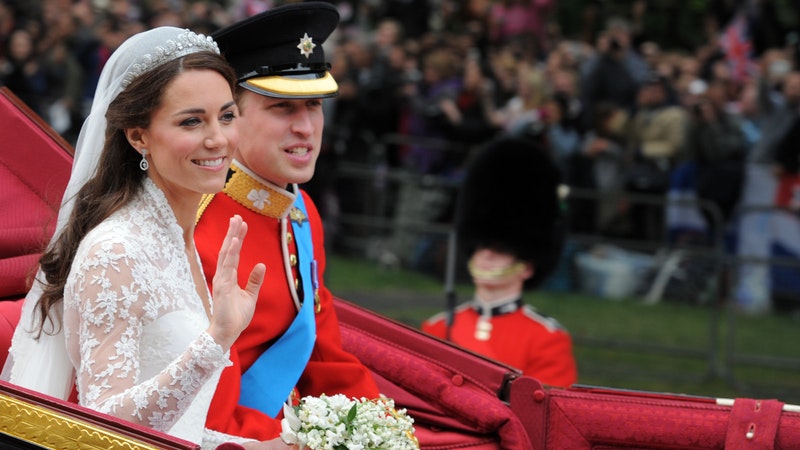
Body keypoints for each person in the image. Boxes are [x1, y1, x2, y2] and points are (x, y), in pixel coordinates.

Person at [0, 26, 277, 449]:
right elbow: (104, 428)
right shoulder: (115, 252)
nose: (218, 139)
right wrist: (215, 342)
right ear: (138, 136)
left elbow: (177, 429)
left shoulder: (174, 236)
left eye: (226, 116)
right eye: (191, 121)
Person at [194, 2, 380, 442]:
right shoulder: (196, 221)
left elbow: (322, 354)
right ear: (229, 117)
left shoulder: (300, 210)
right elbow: (207, 412)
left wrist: (378, 426)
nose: (306, 127)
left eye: (313, 105)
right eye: (282, 108)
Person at [420, 135, 578, 389]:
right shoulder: (437, 328)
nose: (486, 255)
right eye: (481, 246)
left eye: (500, 250)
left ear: (526, 267)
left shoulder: (547, 339)